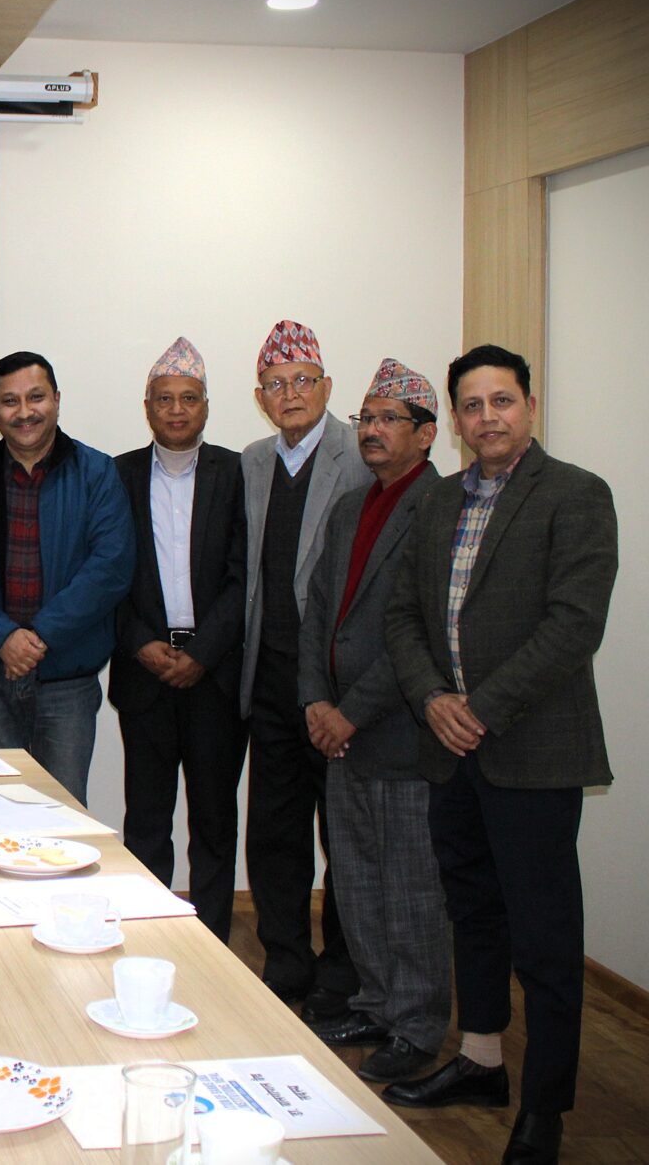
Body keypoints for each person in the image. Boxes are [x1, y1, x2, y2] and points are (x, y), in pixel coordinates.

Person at [380, 344, 616, 1165]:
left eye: (502, 400)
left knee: (544, 938)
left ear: (530, 407)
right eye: (473, 405)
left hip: (532, 751)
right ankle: (481, 1062)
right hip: (451, 749)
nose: (488, 417)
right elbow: (402, 618)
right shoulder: (438, 502)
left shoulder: (577, 495)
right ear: (454, 420)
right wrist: (432, 699)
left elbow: (573, 625)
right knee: (473, 912)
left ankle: (545, 1107)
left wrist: (477, 708)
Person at [296, 358, 448, 1084]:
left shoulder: (441, 507)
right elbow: (317, 613)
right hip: (339, 732)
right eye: (367, 418)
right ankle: (375, 1004)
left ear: (427, 433)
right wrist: (314, 701)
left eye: (390, 419)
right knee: (354, 879)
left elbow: (422, 631)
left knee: (410, 887)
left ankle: (417, 1026)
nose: (373, 431)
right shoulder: (353, 506)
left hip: (398, 732)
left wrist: (351, 711)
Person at [239, 318, 367, 1019]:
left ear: (326, 387)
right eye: (275, 384)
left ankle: (342, 977)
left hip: (337, 690)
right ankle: (286, 965)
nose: (289, 394)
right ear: (260, 397)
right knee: (274, 834)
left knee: (343, 837)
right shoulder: (254, 461)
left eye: (301, 381)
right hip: (269, 682)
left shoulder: (361, 456)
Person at [0, 351, 133, 805]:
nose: (24, 412)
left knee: (63, 813)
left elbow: (110, 567)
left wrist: (39, 637)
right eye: (10, 401)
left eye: (36, 397)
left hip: (67, 678)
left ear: (57, 400)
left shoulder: (97, 473)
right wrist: (3, 638)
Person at [109, 338, 246, 941]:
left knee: (214, 821)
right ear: (147, 407)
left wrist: (202, 653)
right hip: (144, 670)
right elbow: (105, 573)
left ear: (207, 406)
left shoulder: (238, 474)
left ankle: (211, 943)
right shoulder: (116, 475)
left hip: (215, 674)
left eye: (189, 398)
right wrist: (140, 643)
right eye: (164, 399)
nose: (176, 410)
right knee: (146, 819)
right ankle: (147, 934)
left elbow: (246, 576)